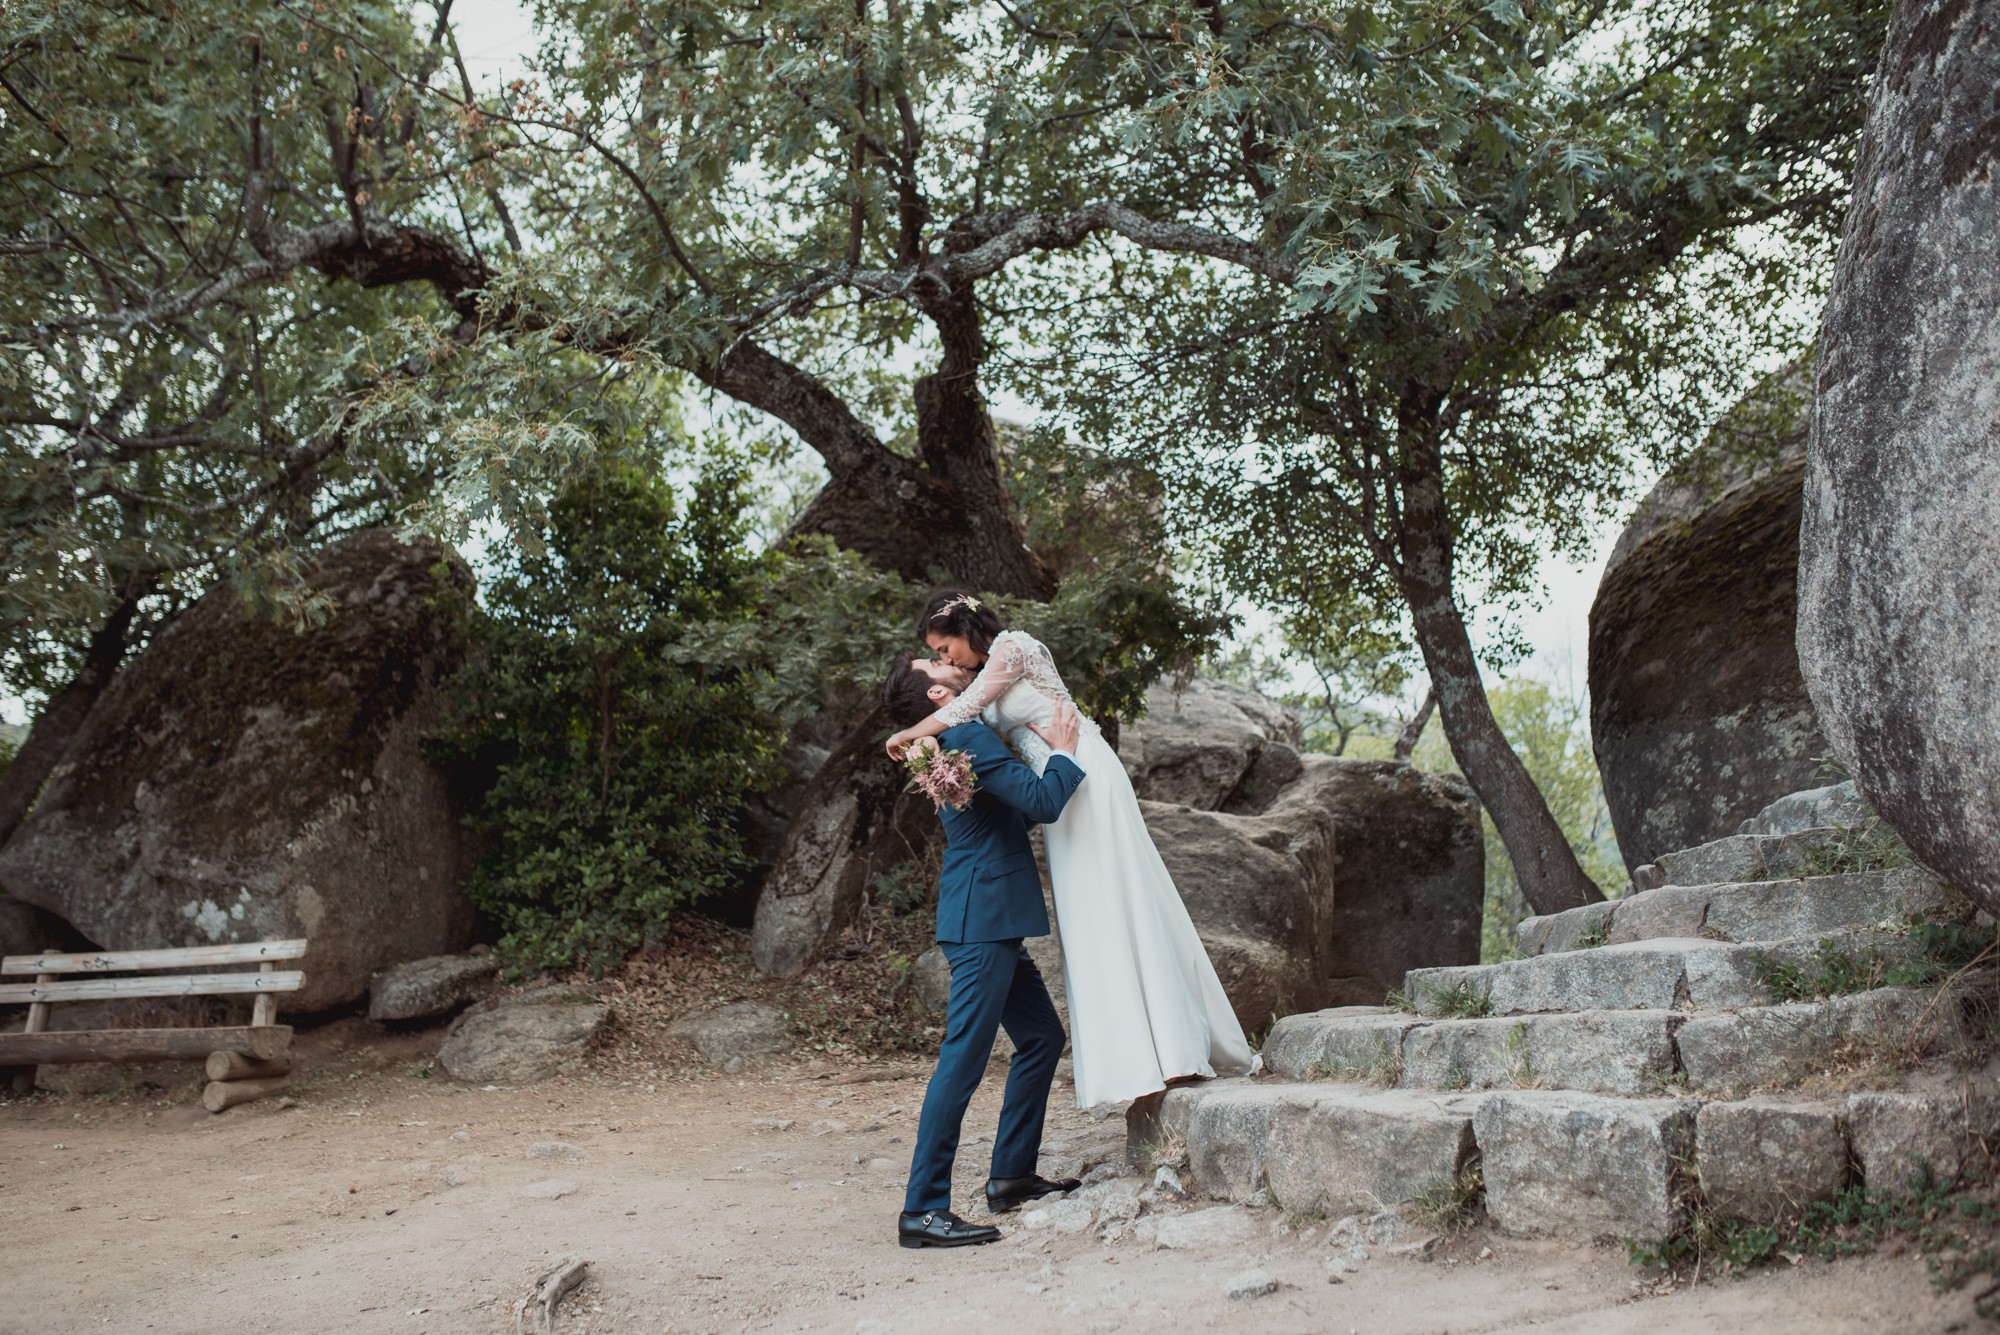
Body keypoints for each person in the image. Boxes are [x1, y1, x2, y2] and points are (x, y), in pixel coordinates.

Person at [883, 590, 1254, 1109]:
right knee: (1093, 911)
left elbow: (964, 708)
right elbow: (967, 721)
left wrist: (906, 734)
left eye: (944, 649)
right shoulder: (976, 685)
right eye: (938, 658)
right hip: (1058, 778)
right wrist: (925, 741)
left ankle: (1175, 1045)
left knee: (1120, 895)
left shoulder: (1011, 648)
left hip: (1083, 772)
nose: (946, 660)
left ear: (965, 629)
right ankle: (1139, 1053)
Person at [883, 662, 1088, 1249]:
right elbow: (1044, 802)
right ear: (941, 694)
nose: (950, 664)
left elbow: (1010, 811)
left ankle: (1012, 1176)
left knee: (1043, 1038)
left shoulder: (942, 743)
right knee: (963, 1061)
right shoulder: (963, 735)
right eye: (938, 666)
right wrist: (1063, 752)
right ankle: (922, 1210)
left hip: (988, 915)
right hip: (982, 919)